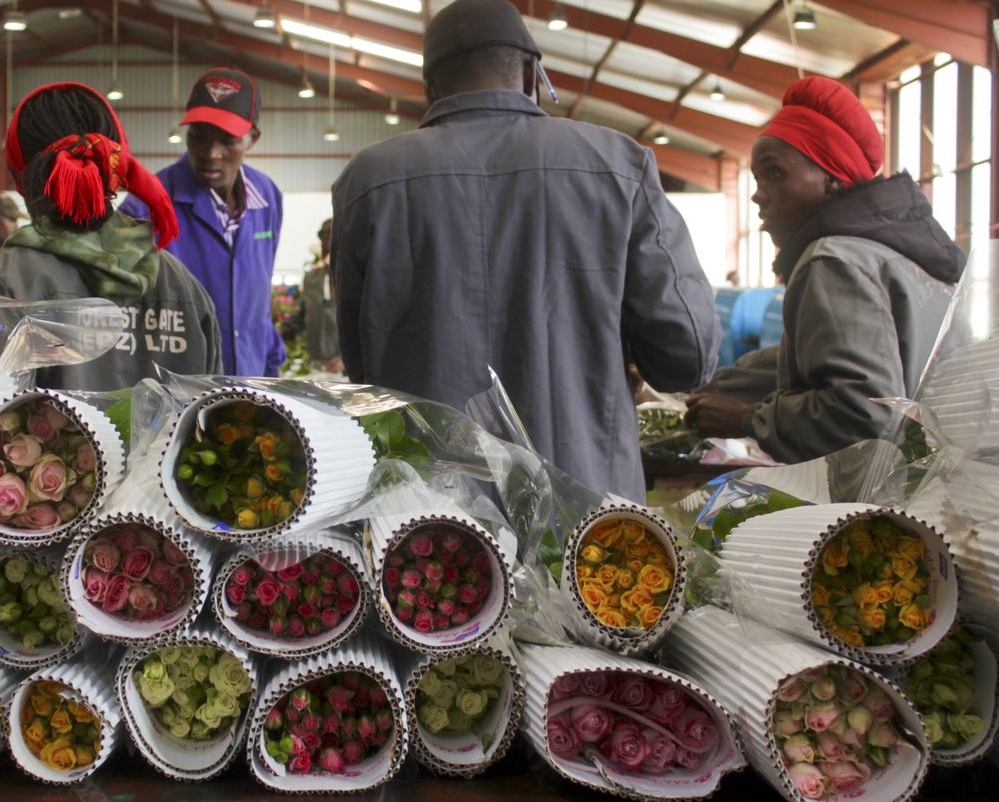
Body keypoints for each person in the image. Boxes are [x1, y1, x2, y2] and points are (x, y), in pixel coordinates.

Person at [331, 0, 720, 501]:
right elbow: (686, 357)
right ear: (533, 73)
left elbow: (362, 370)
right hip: (584, 508)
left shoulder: (367, 181)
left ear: (429, 89)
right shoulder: (617, 166)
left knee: (438, 580)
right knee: (588, 580)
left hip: (430, 524)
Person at [684, 76, 964, 464]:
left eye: (774, 173)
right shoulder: (898, 248)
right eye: (757, 178)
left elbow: (864, 415)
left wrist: (750, 419)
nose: (757, 194)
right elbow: (818, 358)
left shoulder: (832, 261)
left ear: (832, 179)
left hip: (884, 498)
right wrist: (717, 381)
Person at [0, 82, 221, 391]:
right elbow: (212, 413)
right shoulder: (181, 283)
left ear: (20, 176)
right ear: (116, 165)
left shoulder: (2, 281)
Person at [120, 67, 285, 378]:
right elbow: (125, 317)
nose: (210, 153)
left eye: (227, 140)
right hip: (179, 387)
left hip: (252, 381)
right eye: (198, 136)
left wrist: (270, 369)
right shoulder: (145, 206)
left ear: (253, 139)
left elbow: (258, 300)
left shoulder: (267, 198)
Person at [298, 218, 342, 372]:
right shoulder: (311, 278)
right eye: (323, 235)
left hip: (348, 367)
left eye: (330, 234)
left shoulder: (356, 278)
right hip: (317, 366)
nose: (326, 239)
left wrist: (346, 358)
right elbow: (302, 316)